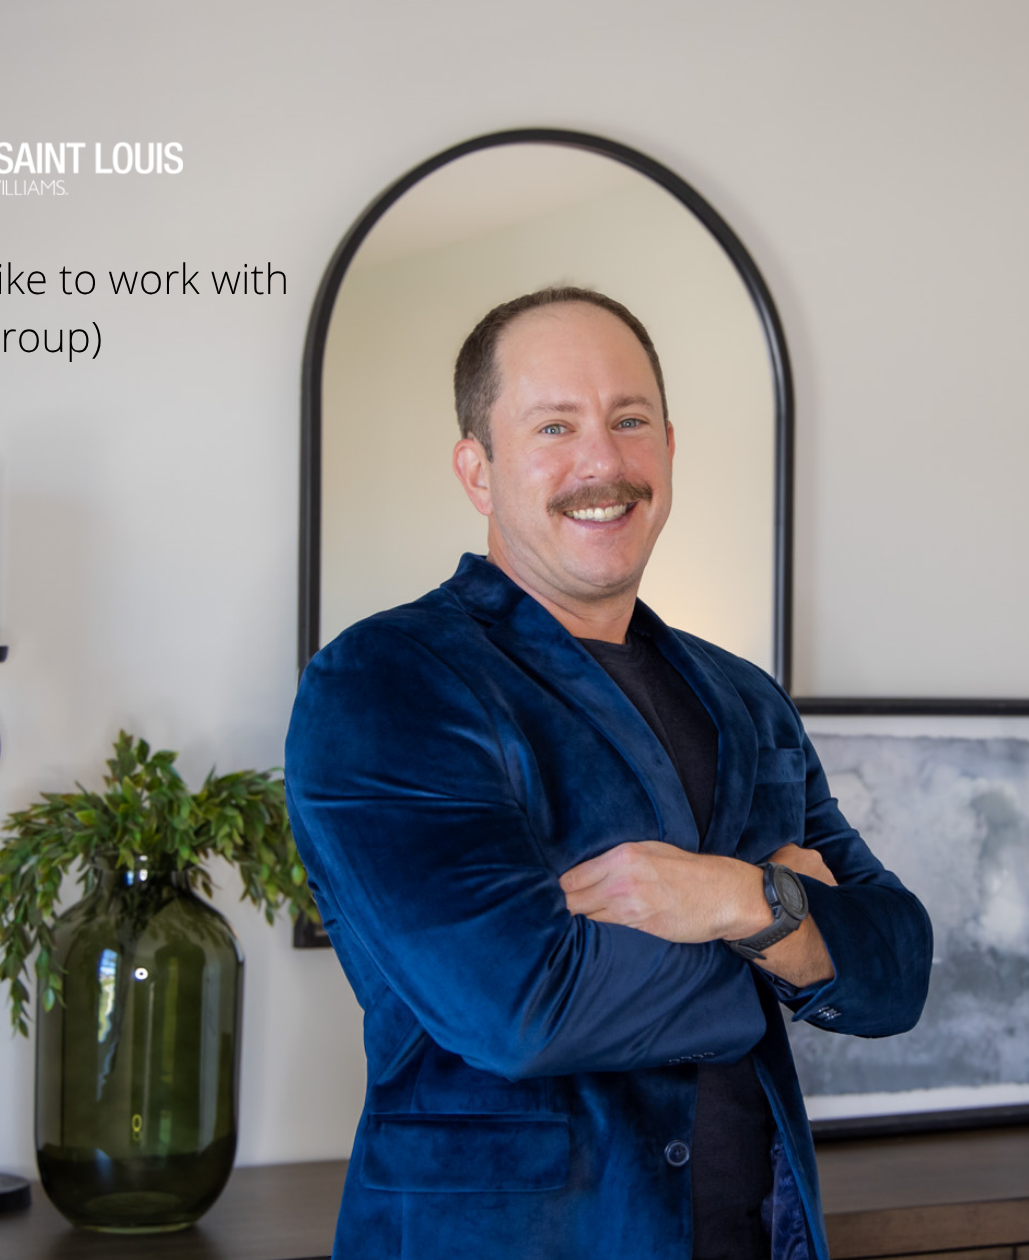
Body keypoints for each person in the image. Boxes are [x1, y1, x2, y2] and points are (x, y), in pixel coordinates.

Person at [286, 286, 932, 1260]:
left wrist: (733, 897)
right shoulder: (388, 682)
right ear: (478, 468)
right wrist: (794, 927)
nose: (602, 461)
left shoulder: (745, 697)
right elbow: (522, 1010)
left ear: (667, 448)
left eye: (628, 421)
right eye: (555, 426)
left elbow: (897, 968)